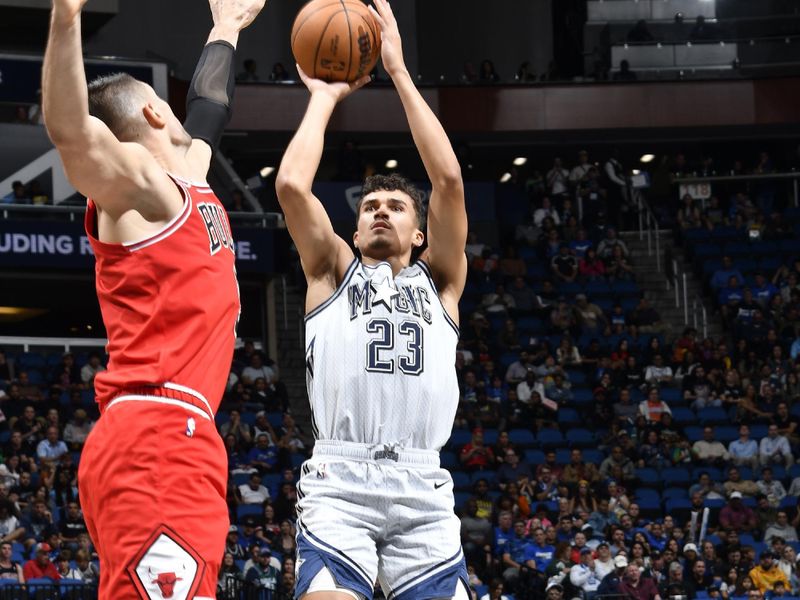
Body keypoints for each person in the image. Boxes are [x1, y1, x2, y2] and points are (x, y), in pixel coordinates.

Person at [41, 0, 266, 597]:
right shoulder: (141, 190)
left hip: (170, 436)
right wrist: (67, 17)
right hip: (159, 440)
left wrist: (226, 29)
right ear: (153, 111)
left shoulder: (190, 177)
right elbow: (71, 133)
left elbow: (210, 109)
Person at [275, 0, 470, 597]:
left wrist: (400, 74)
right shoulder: (332, 271)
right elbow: (289, 185)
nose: (380, 210)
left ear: (420, 233)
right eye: (368, 207)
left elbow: (449, 182)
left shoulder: (440, 282)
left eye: (395, 206)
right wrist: (325, 97)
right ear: (354, 232)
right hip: (341, 482)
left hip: (422, 489)